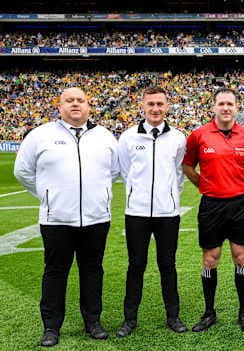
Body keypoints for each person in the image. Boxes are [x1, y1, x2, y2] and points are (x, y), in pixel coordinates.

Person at [13, 87, 119, 347]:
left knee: (92, 271)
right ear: (59, 107)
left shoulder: (104, 136)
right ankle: (51, 327)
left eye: (80, 100)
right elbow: (22, 171)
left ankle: (92, 321)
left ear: (88, 106)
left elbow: (114, 172)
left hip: (96, 218)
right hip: (56, 220)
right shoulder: (41, 135)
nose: (75, 104)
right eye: (69, 101)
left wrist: (100, 195)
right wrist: (49, 196)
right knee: (55, 272)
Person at [182, 88, 244, 333]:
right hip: (211, 205)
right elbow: (187, 166)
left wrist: (242, 185)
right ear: (214, 106)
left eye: (230, 104)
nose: (225, 108)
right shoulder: (198, 136)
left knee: (241, 258)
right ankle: (209, 312)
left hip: (239, 204)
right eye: (221, 103)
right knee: (210, 259)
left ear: (236, 107)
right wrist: (204, 185)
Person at [116, 87, 187, 337]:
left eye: (160, 104)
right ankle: (129, 319)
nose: (155, 108)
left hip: (168, 213)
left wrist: (167, 196)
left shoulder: (179, 138)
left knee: (168, 265)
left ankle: (173, 316)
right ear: (142, 106)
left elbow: (179, 175)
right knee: (136, 265)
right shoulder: (127, 138)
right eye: (151, 104)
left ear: (167, 106)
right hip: (136, 213)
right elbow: (125, 172)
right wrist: (138, 194)